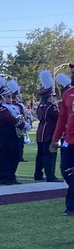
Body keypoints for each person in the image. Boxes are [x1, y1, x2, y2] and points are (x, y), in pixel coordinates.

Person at [0, 72, 25, 185]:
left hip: (15, 135)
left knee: (15, 156)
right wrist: (22, 124)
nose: (11, 98)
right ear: (3, 98)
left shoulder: (13, 107)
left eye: (10, 96)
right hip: (6, 137)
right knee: (6, 157)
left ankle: (11, 176)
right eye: (8, 96)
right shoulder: (1, 109)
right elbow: (10, 119)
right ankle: (4, 178)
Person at [50, 68, 73, 215]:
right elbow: (62, 118)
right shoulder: (67, 94)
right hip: (69, 140)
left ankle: (71, 206)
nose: (72, 77)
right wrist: (55, 139)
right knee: (65, 170)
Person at [33, 70, 59, 183]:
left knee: (40, 155)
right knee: (50, 155)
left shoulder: (41, 106)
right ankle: (50, 176)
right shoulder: (51, 107)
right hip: (49, 132)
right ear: (49, 96)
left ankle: (38, 174)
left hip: (40, 132)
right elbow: (57, 118)